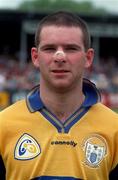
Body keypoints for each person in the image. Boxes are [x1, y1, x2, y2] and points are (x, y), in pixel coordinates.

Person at [0, 11, 118, 180]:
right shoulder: (2, 126)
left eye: (71, 48)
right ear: (35, 57)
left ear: (88, 57)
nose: (60, 56)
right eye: (49, 48)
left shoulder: (115, 128)